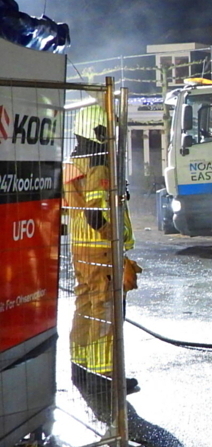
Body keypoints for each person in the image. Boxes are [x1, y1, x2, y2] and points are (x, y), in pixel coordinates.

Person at [63, 103, 139, 393]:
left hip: (81, 249)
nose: (111, 139)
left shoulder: (72, 165)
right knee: (105, 309)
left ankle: (81, 366)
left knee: (85, 306)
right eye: (108, 132)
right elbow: (97, 214)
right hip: (102, 250)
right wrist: (115, 239)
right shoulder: (97, 167)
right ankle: (105, 374)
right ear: (96, 132)